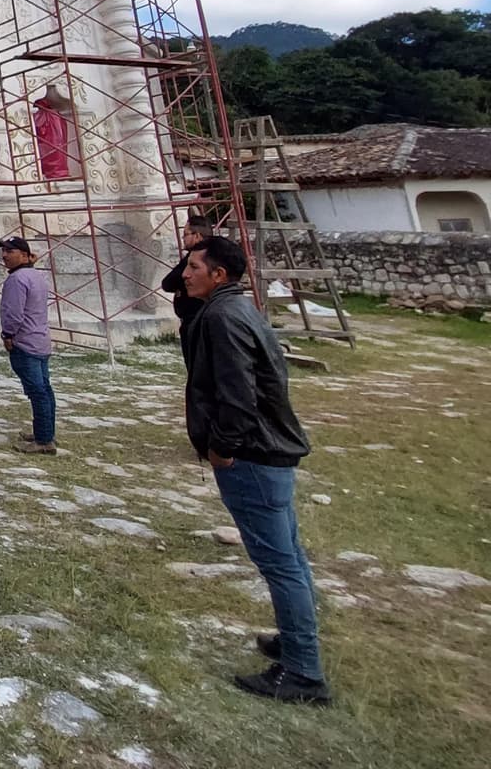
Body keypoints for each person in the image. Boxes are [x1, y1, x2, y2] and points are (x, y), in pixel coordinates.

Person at [181, 235, 331, 705]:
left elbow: (238, 395)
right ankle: (297, 641)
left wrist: (222, 447)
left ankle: (304, 672)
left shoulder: (223, 318)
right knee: (289, 555)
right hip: (270, 450)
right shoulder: (237, 308)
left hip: (254, 454)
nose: (184, 274)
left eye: (193, 267)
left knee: (279, 563)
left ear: (218, 275)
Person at [0, 236, 56, 455]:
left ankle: (43, 440)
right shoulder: (36, 276)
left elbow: (13, 312)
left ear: (23, 254)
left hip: (25, 342)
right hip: (40, 339)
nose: (4, 255)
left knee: (37, 392)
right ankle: (46, 432)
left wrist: (8, 334)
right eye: (3, 251)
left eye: (9, 251)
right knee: (45, 390)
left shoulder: (17, 280)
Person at [162, 214, 209, 332]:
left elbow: (169, 282)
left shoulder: (199, 257)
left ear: (197, 236)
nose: (183, 238)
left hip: (196, 317)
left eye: (186, 234)